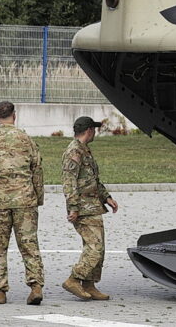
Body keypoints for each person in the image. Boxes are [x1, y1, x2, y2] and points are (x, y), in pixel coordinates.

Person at [0, 101, 45, 305]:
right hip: (25, 200)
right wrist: (38, 198)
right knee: (29, 244)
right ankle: (35, 286)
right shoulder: (27, 140)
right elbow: (37, 171)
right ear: (15, 115)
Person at [61, 116, 119, 301]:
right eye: (93, 129)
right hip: (82, 208)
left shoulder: (85, 150)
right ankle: (74, 279)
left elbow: (92, 179)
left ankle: (89, 284)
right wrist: (73, 208)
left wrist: (106, 197)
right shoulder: (73, 152)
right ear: (88, 130)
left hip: (93, 207)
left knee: (99, 248)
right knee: (95, 248)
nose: (95, 132)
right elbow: (69, 183)